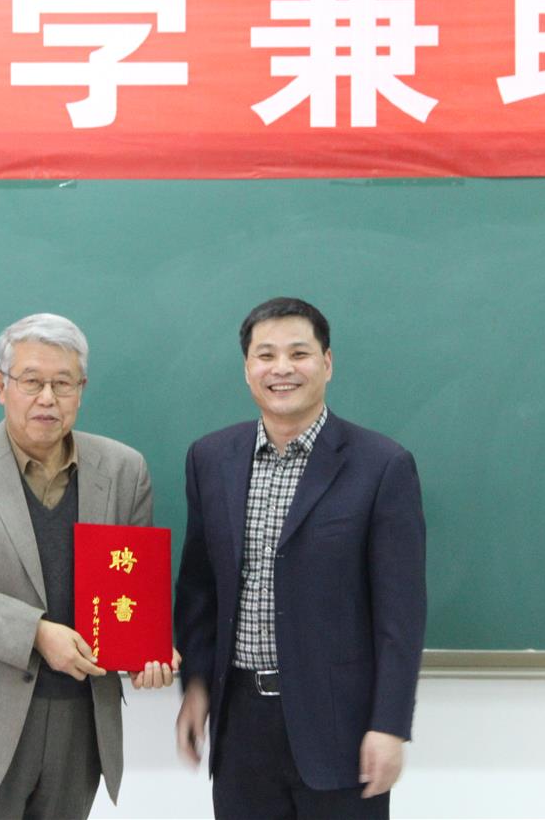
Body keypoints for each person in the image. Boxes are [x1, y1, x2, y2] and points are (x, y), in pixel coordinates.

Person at [0, 313, 176, 819]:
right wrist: (35, 633)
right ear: (0, 385)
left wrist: (146, 649)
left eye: (63, 383)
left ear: (81, 389)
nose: (47, 398)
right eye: (31, 381)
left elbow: (131, 589)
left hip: (80, 723)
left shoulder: (124, 470)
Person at [173, 297, 427, 819]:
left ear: (326, 364)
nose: (282, 368)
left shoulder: (381, 465)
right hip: (240, 725)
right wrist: (196, 686)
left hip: (341, 728)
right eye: (265, 355)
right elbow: (199, 587)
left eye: (299, 353)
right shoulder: (210, 458)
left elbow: (401, 613)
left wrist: (389, 724)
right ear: (247, 368)